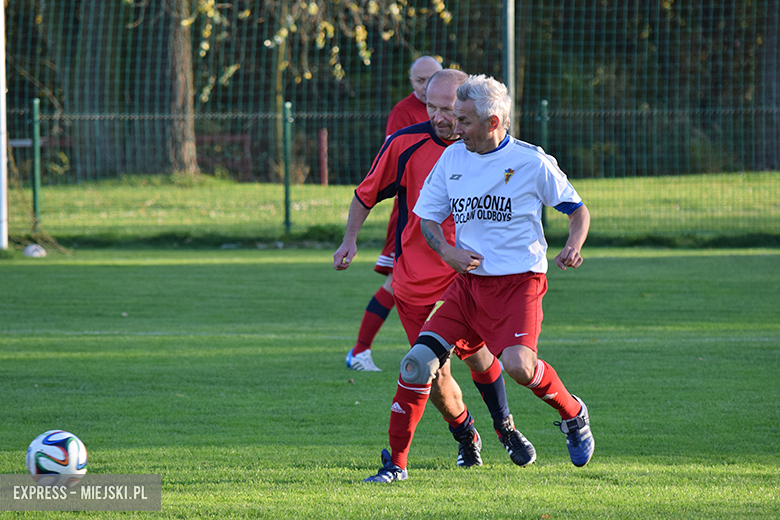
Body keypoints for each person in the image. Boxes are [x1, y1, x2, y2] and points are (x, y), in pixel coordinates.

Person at [364, 74, 595, 482]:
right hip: (468, 288)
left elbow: (577, 209)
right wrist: (446, 251)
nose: (455, 127)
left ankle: (573, 413)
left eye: (464, 120)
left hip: (519, 285)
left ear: (493, 122)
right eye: (454, 117)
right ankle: (396, 466)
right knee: (416, 364)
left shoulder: (531, 161)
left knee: (519, 367)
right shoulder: (452, 159)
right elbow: (428, 218)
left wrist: (574, 244)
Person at [335, 69, 535, 483]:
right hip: (413, 283)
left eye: (448, 109)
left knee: (477, 355)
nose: (441, 117)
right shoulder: (404, 144)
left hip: (464, 279)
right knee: (432, 374)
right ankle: (465, 434)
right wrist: (349, 240)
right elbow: (365, 193)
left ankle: (505, 427)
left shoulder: (484, 147)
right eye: (432, 107)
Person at [346, 56, 443, 372]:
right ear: (411, 81)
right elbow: (393, 166)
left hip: (450, 223)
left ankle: (484, 354)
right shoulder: (404, 114)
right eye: (419, 81)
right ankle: (360, 350)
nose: (425, 87)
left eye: (431, 79)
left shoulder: (460, 114)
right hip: (411, 218)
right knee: (396, 281)